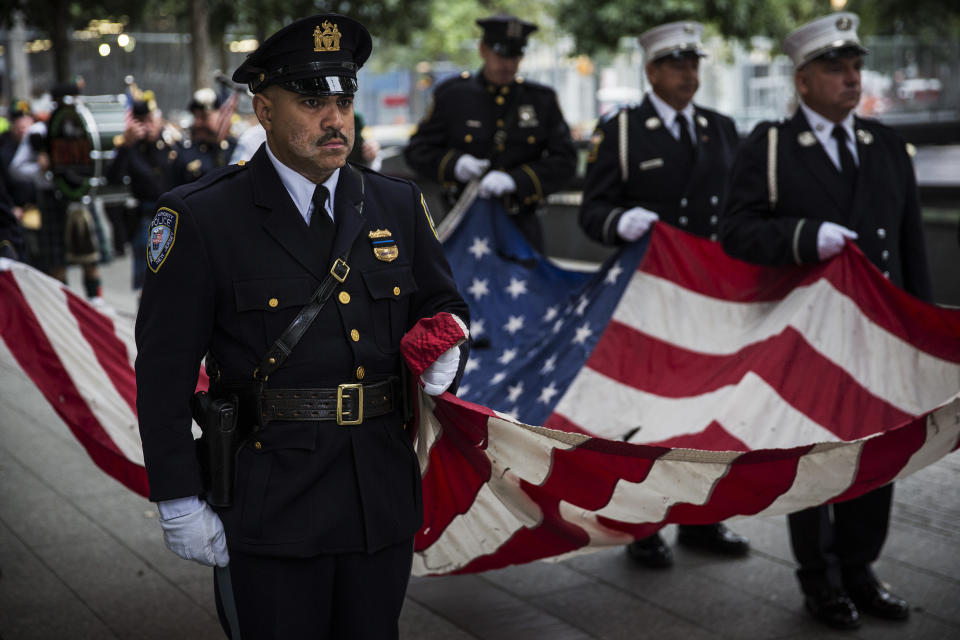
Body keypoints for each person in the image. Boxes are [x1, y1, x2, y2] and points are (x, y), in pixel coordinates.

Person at [135, 13, 470, 639]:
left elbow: (443, 304)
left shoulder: (394, 203)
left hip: (379, 493)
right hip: (271, 499)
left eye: (343, 99)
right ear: (263, 110)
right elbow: (162, 372)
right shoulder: (201, 218)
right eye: (312, 100)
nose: (335, 117)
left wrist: (449, 341)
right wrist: (177, 495)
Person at [720, 13, 927, 630]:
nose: (851, 78)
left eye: (856, 66)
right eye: (835, 68)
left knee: (877, 457)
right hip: (809, 336)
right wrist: (805, 236)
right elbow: (735, 232)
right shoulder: (772, 147)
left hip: (878, 333)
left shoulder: (886, 146)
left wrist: (919, 329)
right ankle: (821, 579)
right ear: (803, 80)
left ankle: (861, 569)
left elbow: (911, 244)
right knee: (813, 459)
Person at [579, 20, 750, 570]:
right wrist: (619, 219)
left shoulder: (722, 129)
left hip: (707, 299)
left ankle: (701, 518)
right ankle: (644, 523)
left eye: (695, 63)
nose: (689, 73)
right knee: (647, 417)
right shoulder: (624, 130)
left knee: (705, 414)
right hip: (648, 298)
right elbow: (591, 212)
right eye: (678, 64)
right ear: (652, 71)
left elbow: (740, 211)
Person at [404, 13, 576, 251]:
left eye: (515, 56)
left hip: (522, 224)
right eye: (501, 55)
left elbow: (566, 160)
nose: (508, 64)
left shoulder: (540, 99)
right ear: (483, 50)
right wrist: (456, 164)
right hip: (465, 222)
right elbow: (417, 150)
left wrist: (516, 180)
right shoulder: (453, 95)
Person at [9, 83, 107, 300]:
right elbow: (16, 168)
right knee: (57, 261)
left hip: (81, 198)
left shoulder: (87, 126)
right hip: (53, 198)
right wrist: (41, 169)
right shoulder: (41, 131)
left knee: (90, 258)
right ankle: (63, 308)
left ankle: (96, 305)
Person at [106, 91, 177, 294]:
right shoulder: (130, 147)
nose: (147, 126)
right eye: (141, 121)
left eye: (149, 120)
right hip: (146, 215)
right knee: (148, 281)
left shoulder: (169, 142)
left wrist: (158, 140)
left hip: (174, 213)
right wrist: (126, 146)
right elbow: (113, 178)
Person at [172, 87, 237, 184]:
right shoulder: (184, 153)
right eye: (195, 117)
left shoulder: (236, 149)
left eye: (204, 117)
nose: (197, 123)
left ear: (222, 116)